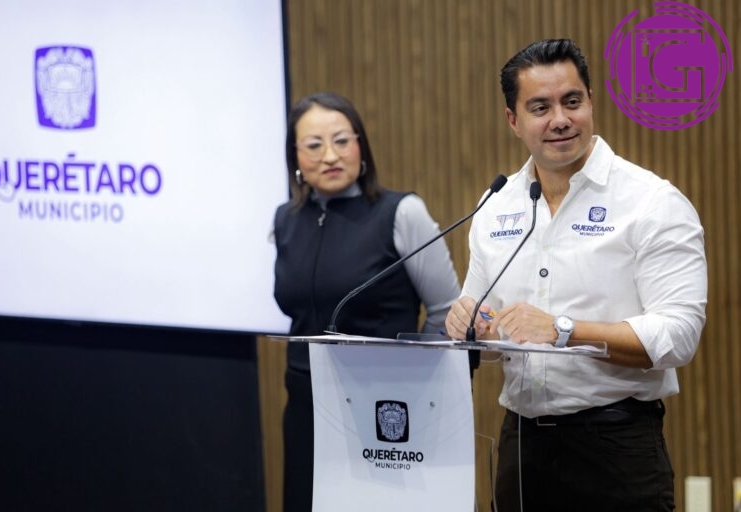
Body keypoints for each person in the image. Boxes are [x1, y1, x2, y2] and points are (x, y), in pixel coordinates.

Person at [445, 39, 707, 512]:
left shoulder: (651, 201)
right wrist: (470, 326)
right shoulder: (496, 205)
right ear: (513, 120)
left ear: (591, 102)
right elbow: (486, 328)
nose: (560, 119)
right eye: (540, 107)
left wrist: (563, 330)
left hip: (616, 443)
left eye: (571, 101)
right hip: (521, 445)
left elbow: (679, 336)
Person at [273, 91, 462, 512]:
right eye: (314, 144)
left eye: (342, 140)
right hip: (306, 405)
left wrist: (417, 383)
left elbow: (446, 310)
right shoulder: (285, 220)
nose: (330, 155)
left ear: (361, 146)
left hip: (383, 407)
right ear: (295, 156)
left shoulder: (402, 212)